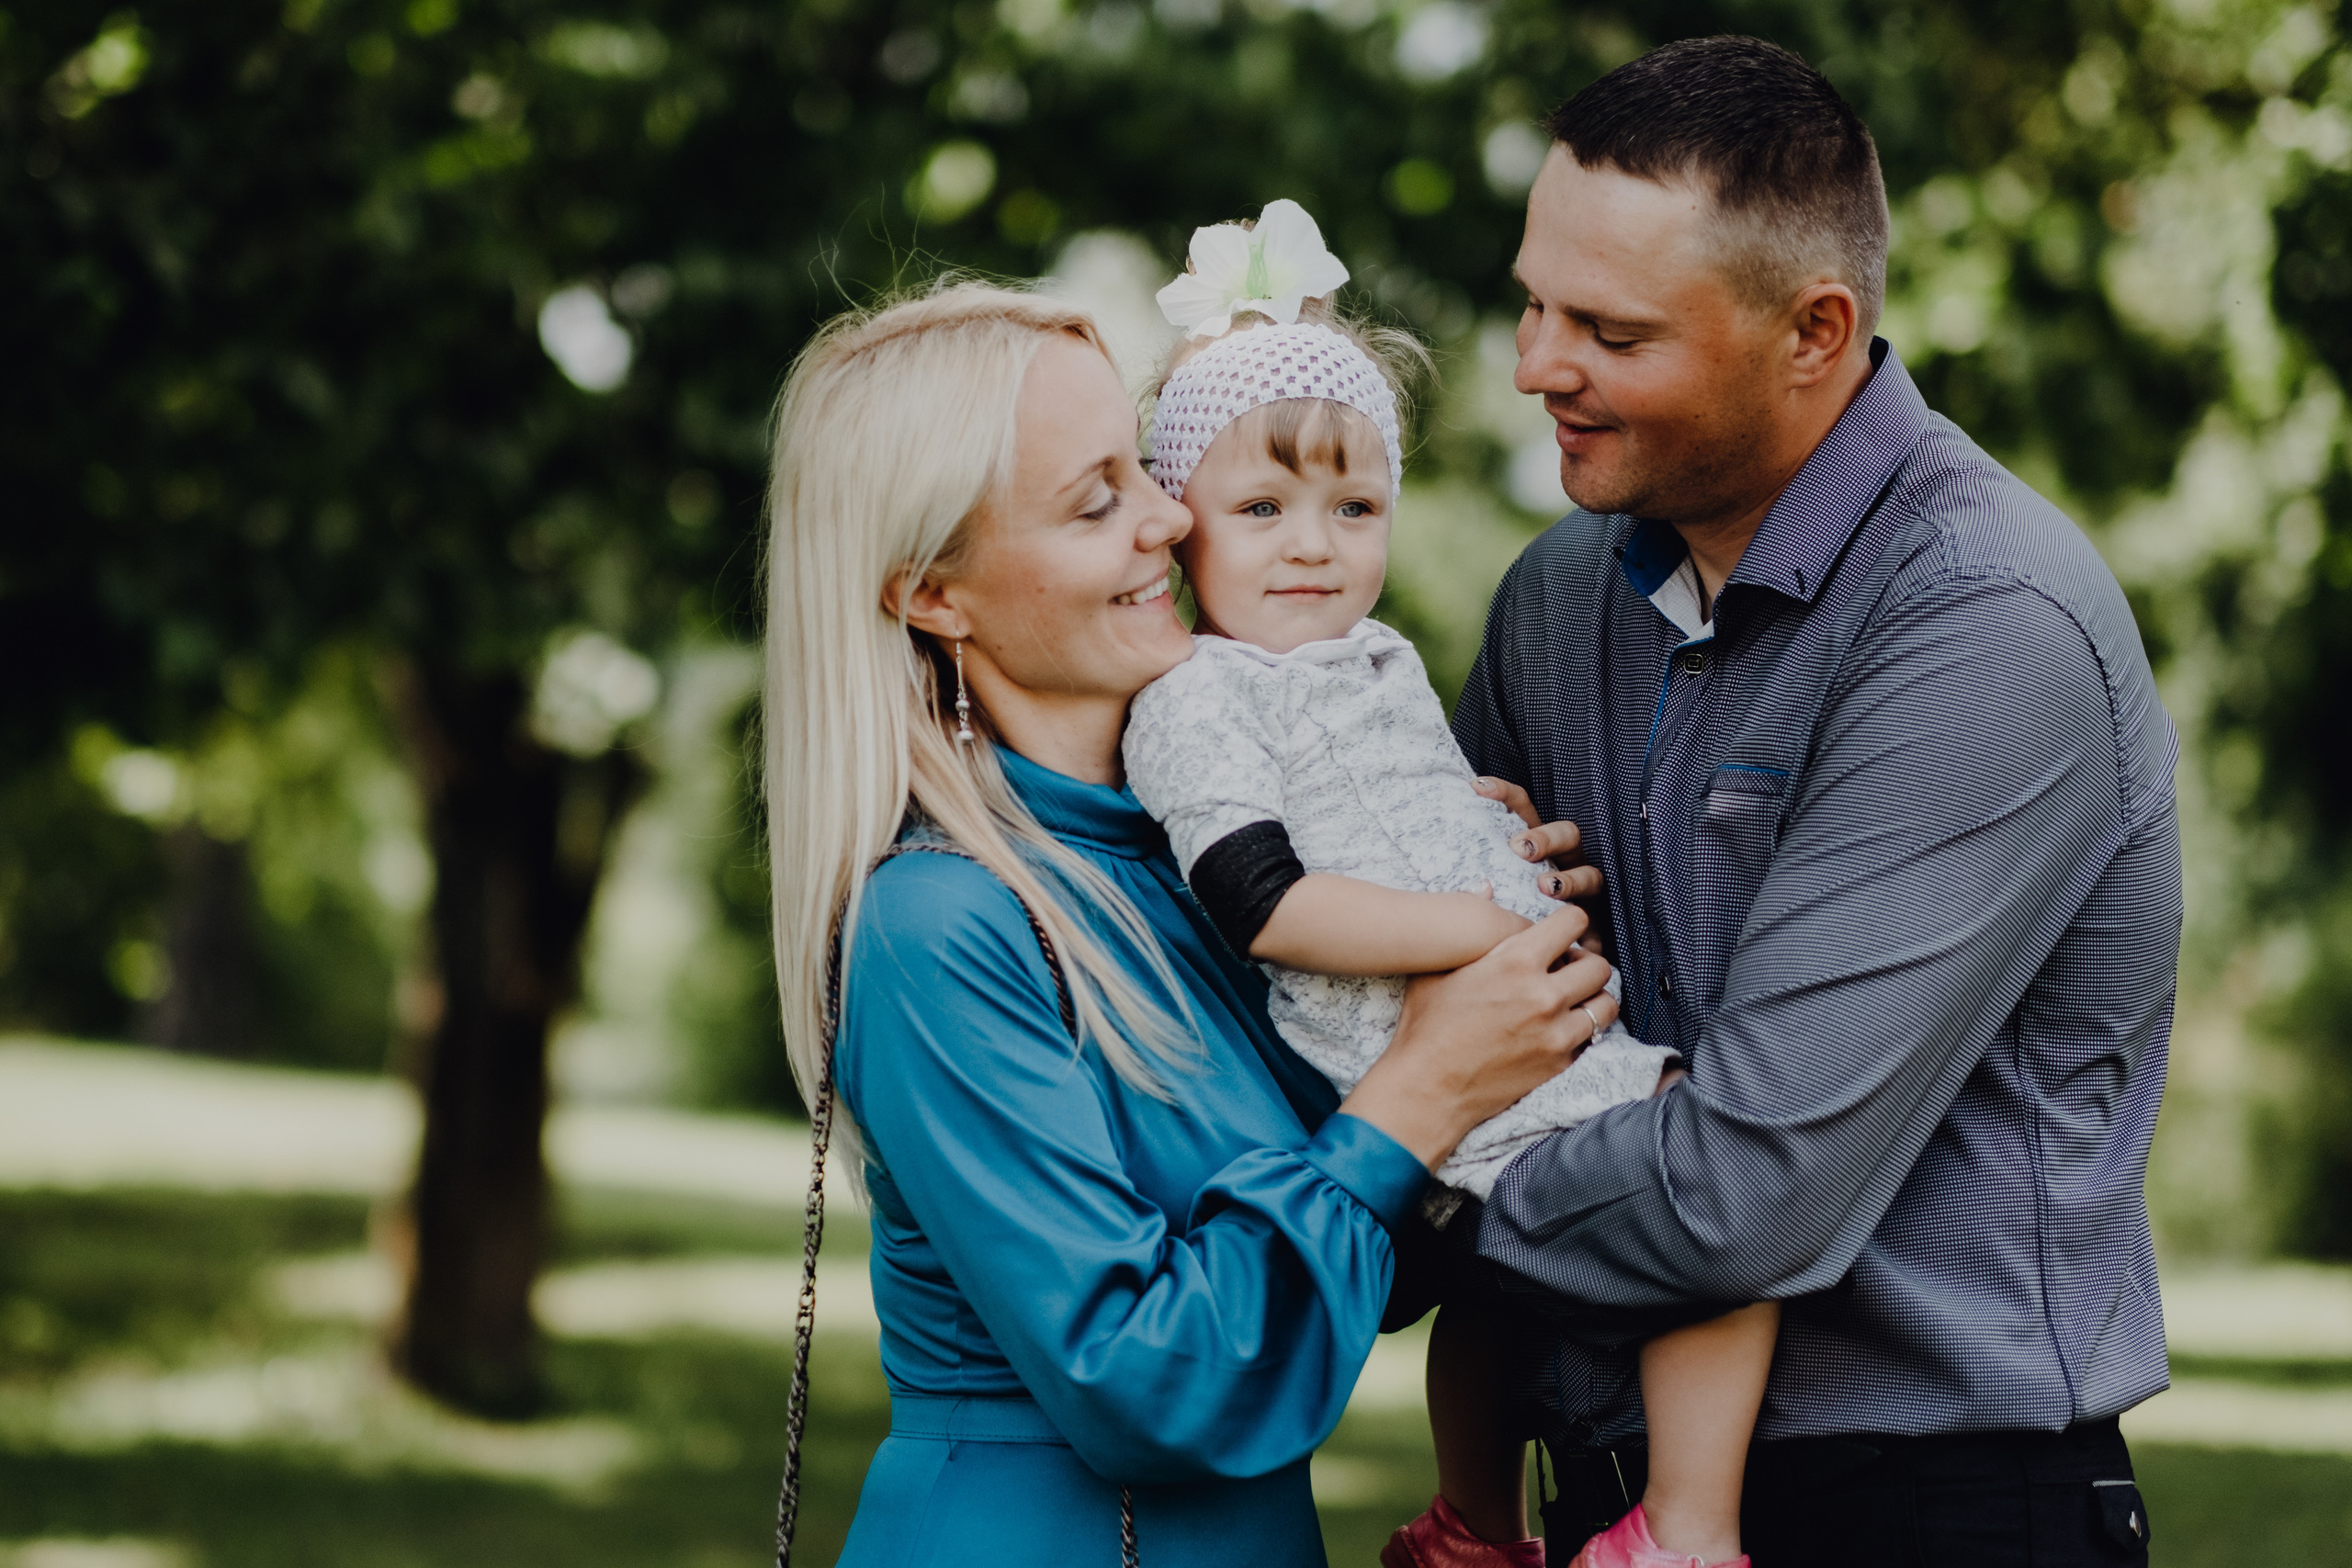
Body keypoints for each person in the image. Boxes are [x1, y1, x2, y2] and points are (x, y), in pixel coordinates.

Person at [1449, 36, 2178, 1567]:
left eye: (1609, 329)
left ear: (1815, 331)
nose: (1534, 366)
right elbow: (1411, 1019)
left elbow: (1740, 1196)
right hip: (1598, 1498)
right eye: (1533, 302)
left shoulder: (1985, 621)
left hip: (1931, 1507)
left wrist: (1368, 1188)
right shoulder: (1553, 598)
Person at [762, 279, 1625, 1568]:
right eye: (1098, 498)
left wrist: (1456, 884)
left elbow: (1352, 1274)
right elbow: (1151, 1380)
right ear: (933, 593)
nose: (1172, 516)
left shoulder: (1184, 877)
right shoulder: (936, 926)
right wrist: (1425, 1085)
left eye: (1144, 469)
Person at [1120, 202, 1770, 1568]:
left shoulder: (1379, 658)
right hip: (1417, 1036)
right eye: (1261, 509)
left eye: (1352, 507)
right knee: (1723, 1199)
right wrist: (1470, 927)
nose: (1314, 544)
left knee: (1497, 1289)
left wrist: (1491, 823)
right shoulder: (1195, 696)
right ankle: (1690, 1538)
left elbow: (1395, 799)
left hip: (1505, 1017)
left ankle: (1474, 1522)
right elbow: (1265, 897)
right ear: (1180, 531)